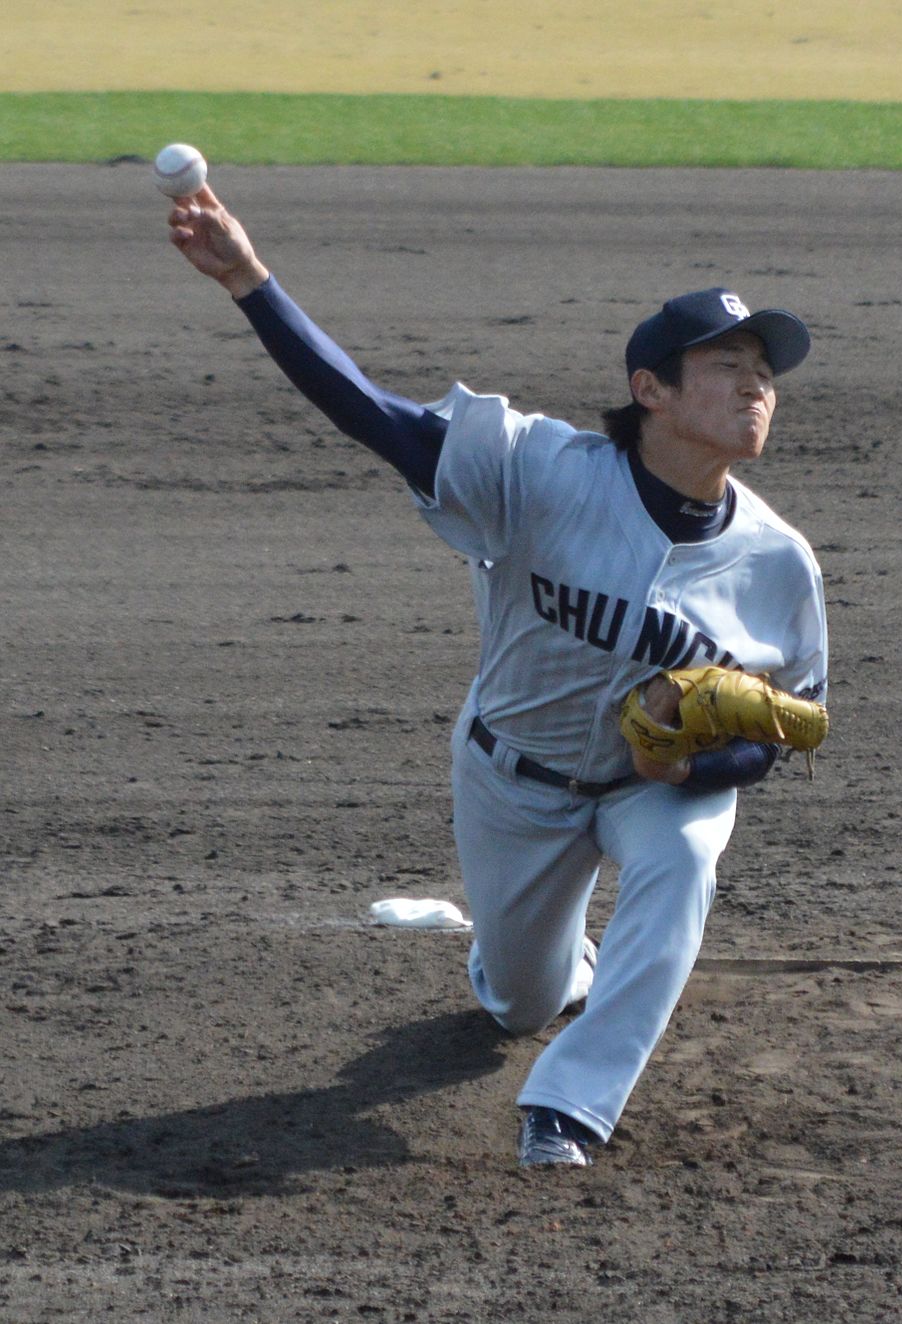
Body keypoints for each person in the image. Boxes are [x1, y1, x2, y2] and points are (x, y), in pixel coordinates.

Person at [166, 185, 828, 1168]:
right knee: (518, 998)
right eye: (727, 367)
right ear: (650, 389)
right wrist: (248, 280)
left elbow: (788, 727)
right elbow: (373, 416)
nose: (755, 387)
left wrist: (700, 771)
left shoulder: (779, 564)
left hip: (648, 793)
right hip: (513, 778)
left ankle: (567, 1106)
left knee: (683, 862)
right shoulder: (540, 470)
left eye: (764, 373)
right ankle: (551, 973)